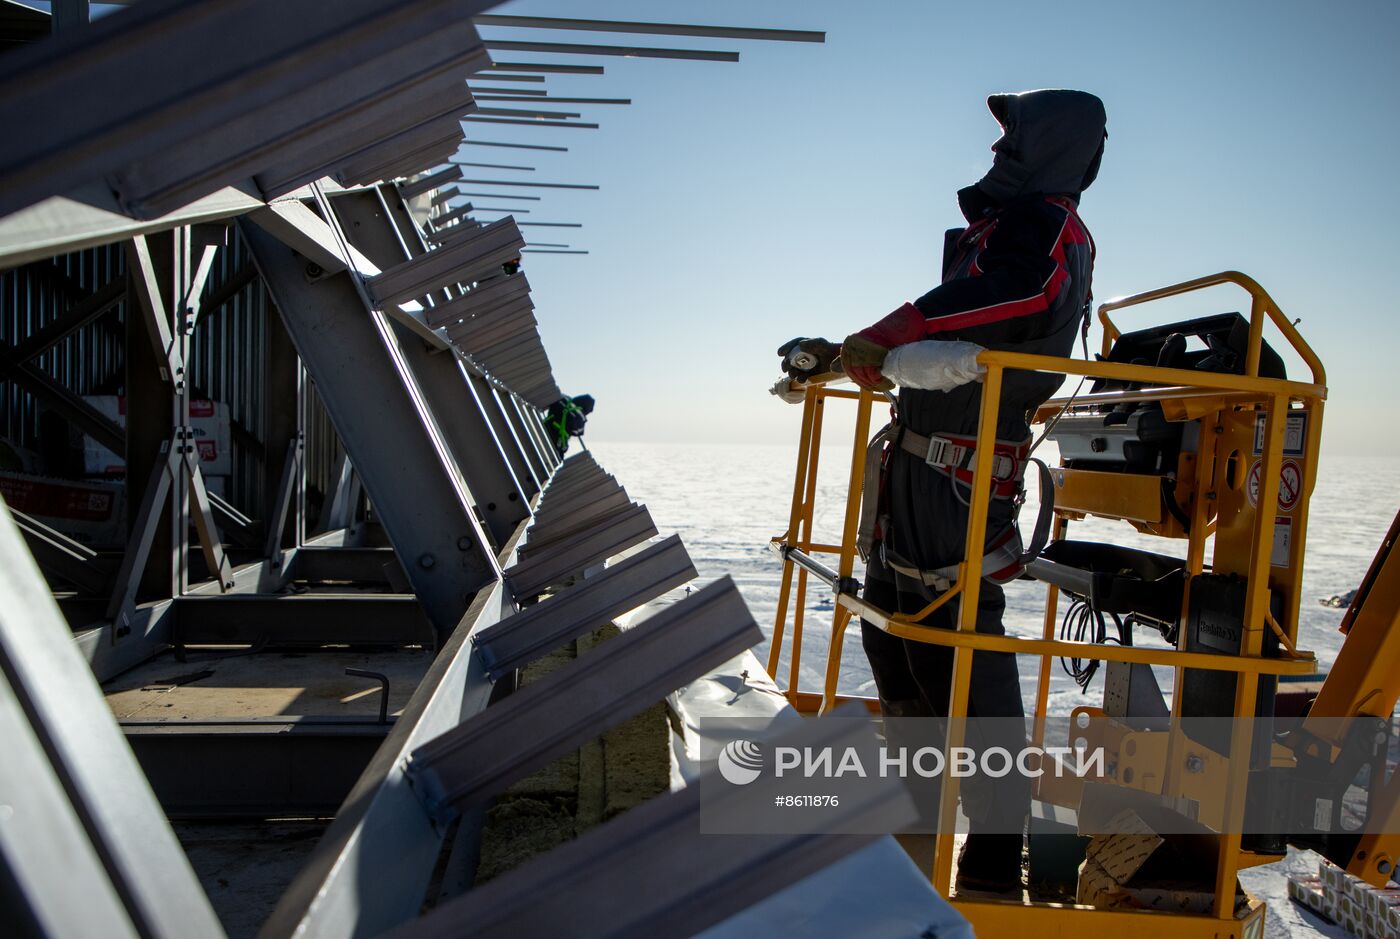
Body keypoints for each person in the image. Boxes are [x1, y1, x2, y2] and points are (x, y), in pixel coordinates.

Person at [779, 90, 1107, 895]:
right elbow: (944, 330)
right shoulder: (1001, 230)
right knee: (893, 634)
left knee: (953, 640)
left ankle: (995, 863)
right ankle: (917, 827)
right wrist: (848, 354)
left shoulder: (1047, 226)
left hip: (960, 474)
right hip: (920, 465)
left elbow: (1019, 298)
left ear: (1051, 148)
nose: (997, 151)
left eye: (1013, 138)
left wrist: (892, 331)